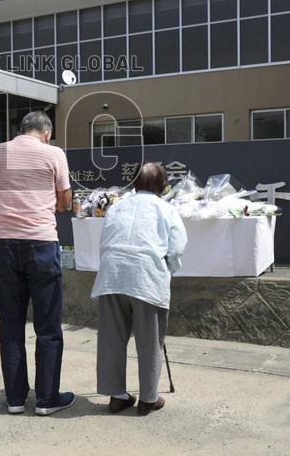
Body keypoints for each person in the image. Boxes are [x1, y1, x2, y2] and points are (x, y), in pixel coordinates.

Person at [0, 110, 74, 415]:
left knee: (10, 325)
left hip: (5, 244)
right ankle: (47, 400)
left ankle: (14, 400)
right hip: (41, 243)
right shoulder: (54, 153)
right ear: (46, 132)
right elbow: (64, 202)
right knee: (47, 325)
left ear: (21, 129)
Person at [91, 162, 187, 416]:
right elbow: (176, 248)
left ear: (135, 185)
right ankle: (148, 399)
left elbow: (105, 241)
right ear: (162, 187)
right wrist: (168, 270)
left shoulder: (117, 207)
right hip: (146, 276)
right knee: (149, 340)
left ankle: (117, 396)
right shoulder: (166, 209)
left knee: (112, 338)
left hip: (112, 275)